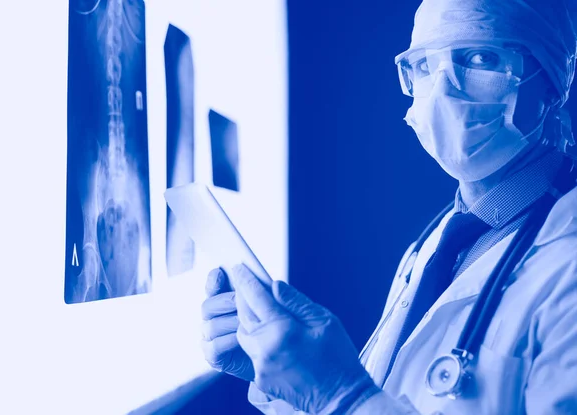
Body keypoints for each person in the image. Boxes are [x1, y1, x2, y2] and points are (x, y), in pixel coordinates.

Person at [200, 0, 577, 413]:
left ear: (552, 84)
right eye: (425, 65)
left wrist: (341, 395)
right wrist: (285, 381)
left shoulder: (566, 261)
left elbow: (357, 403)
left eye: (480, 57)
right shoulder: (436, 245)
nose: (443, 89)